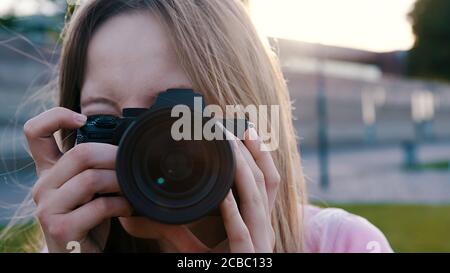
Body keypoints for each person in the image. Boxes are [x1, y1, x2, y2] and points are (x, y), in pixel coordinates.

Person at [6, 0, 393, 253]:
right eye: (105, 120)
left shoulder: (343, 245)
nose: (143, 150)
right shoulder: (65, 250)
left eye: (176, 122)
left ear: (250, 125)